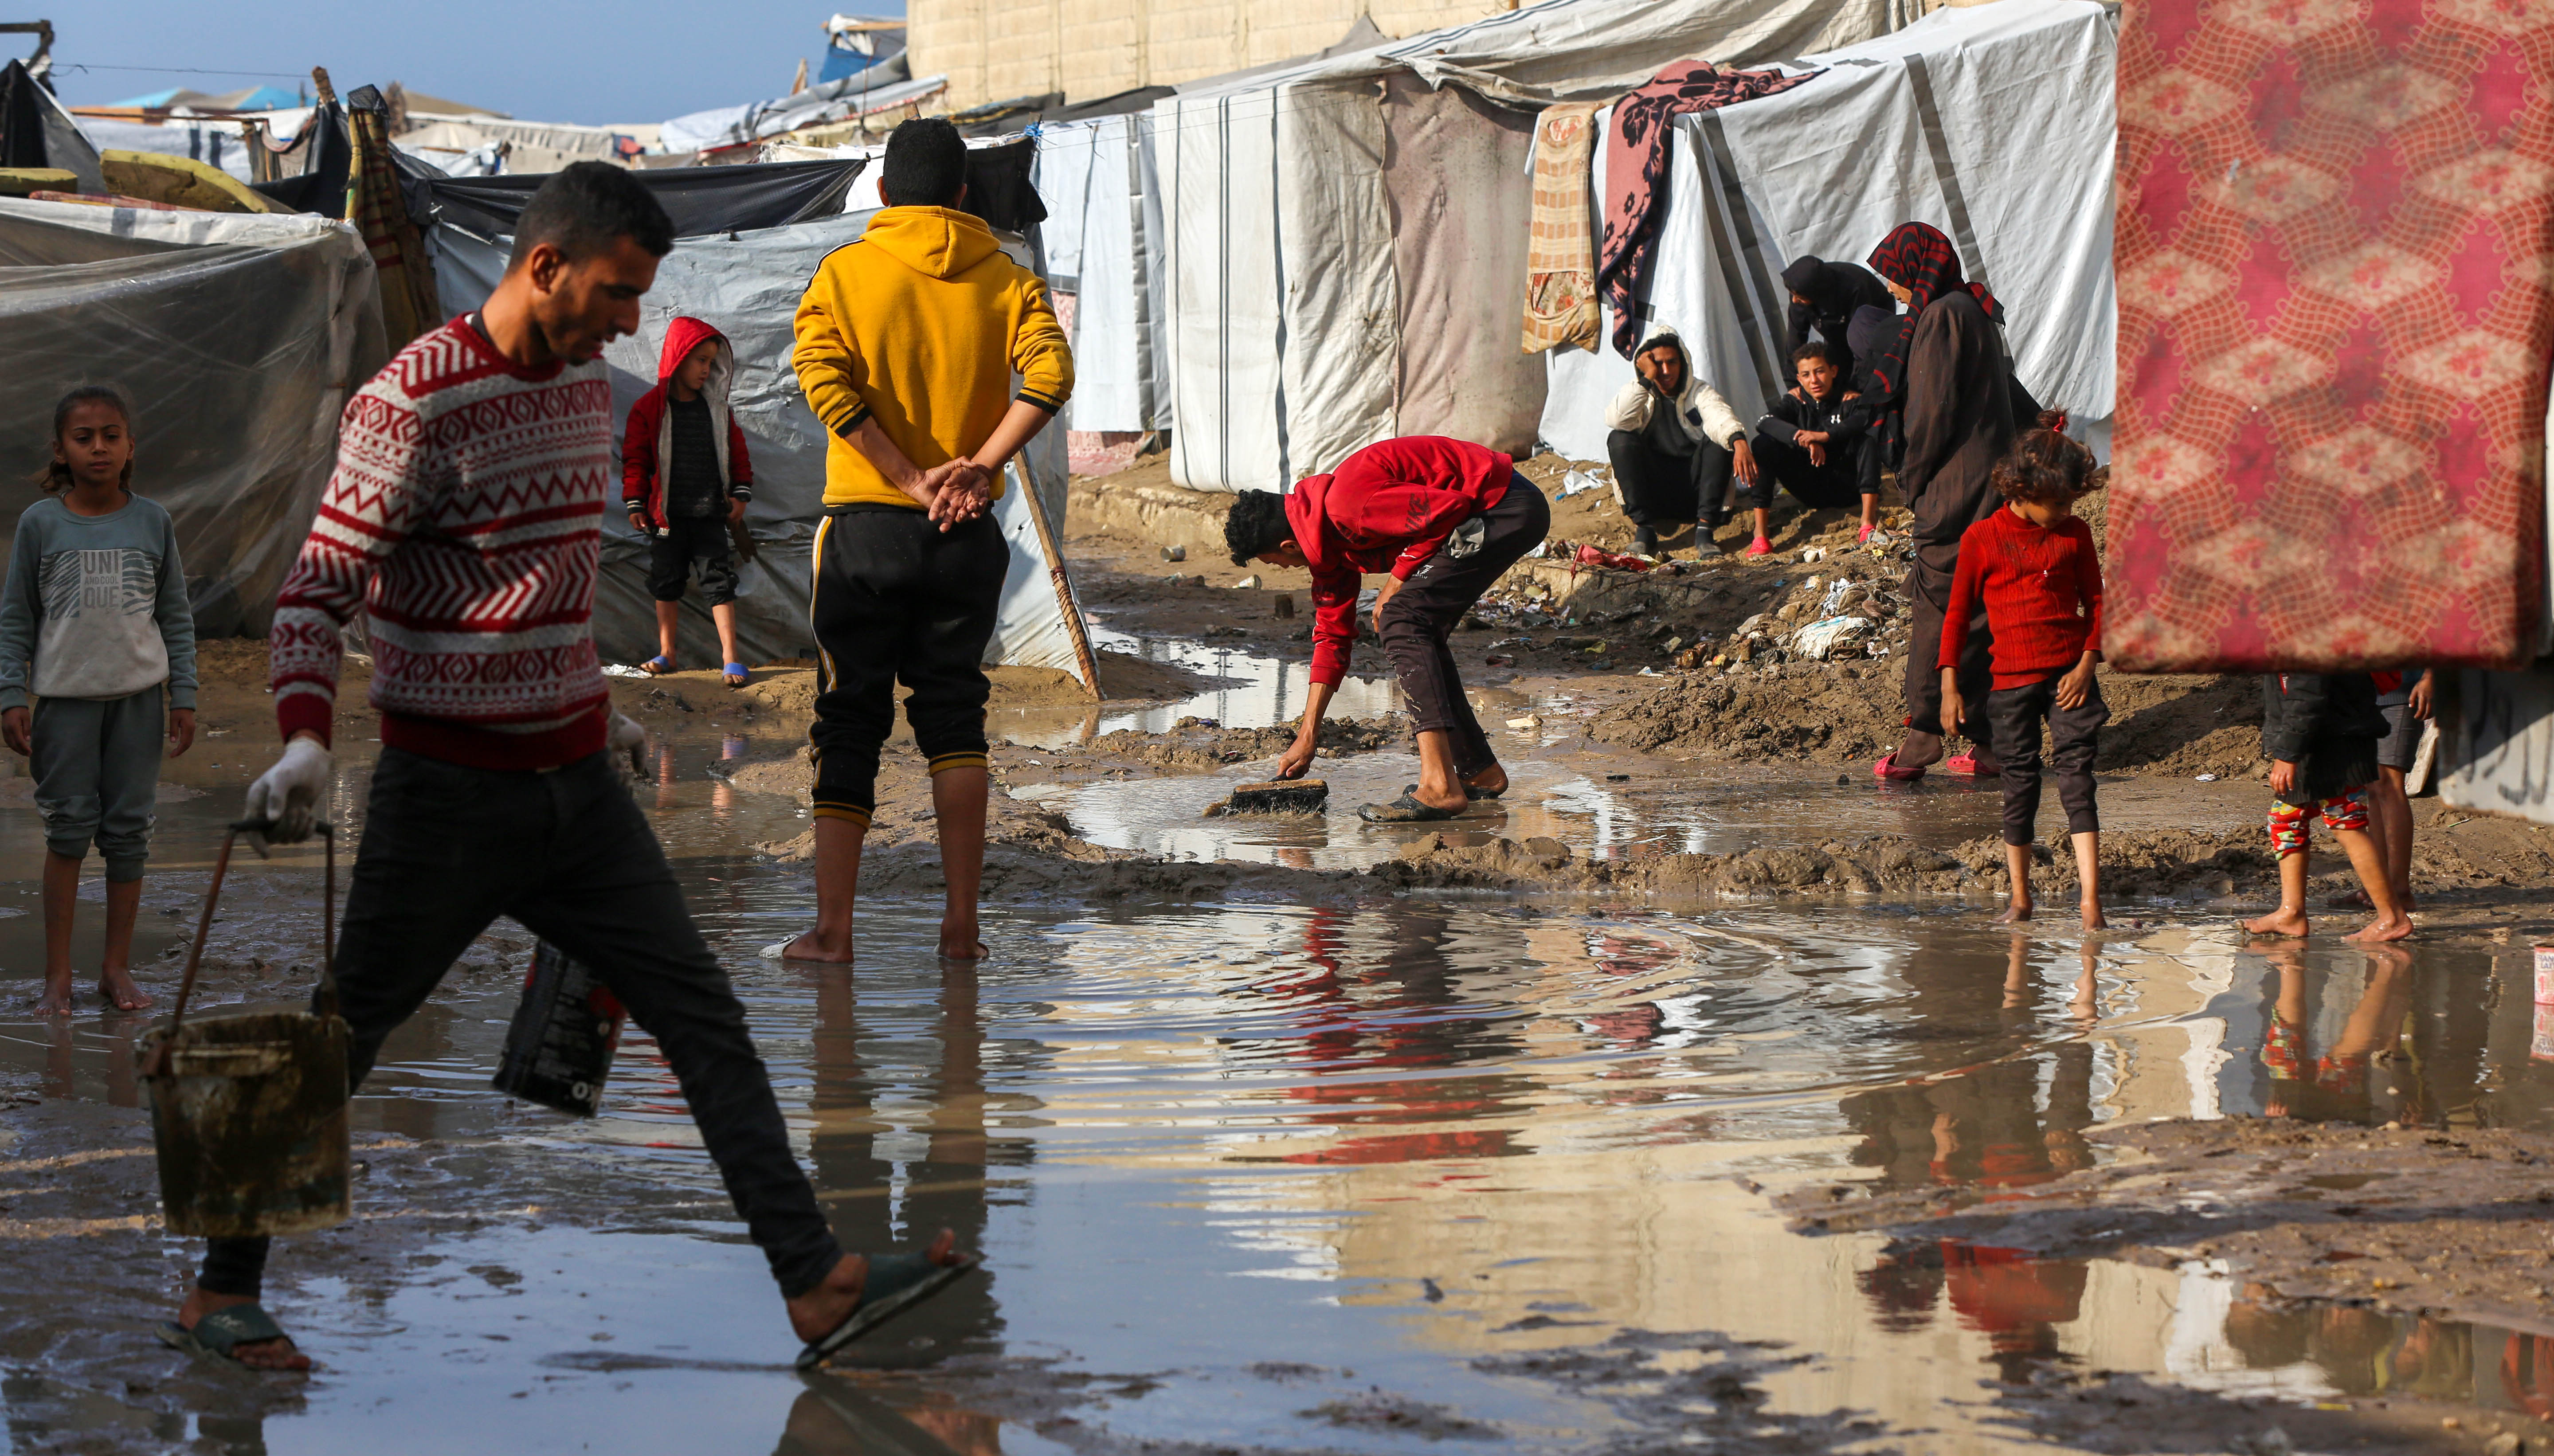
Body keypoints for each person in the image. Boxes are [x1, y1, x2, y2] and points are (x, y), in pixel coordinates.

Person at [175, 163, 965, 1374]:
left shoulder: (589, 390)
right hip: (445, 794)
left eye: (641, 296)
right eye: (617, 290)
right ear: (545, 264)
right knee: (346, 1036)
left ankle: (816, 1282)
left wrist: (602, 707)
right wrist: (295, 734)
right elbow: (313, 597)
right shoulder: (413, 402)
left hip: (580, 787)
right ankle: (220, 1290)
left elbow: (540, 591)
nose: (631, 320)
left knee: (704, 1017)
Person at [781, 117, 1070, 965]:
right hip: (965, 533)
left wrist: (909, 479)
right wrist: (975, 470)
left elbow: (821, 377)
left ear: (881, 193)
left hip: (865, 529)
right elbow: (1051, 374)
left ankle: (834, 932)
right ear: (962, 196)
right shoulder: (1006, 276)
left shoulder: (845, 272)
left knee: (848, 722)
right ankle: (962, 927)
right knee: (955, 719)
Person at [1222, 435, 1549, 822]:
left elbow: (1451, 508)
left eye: (1273, 561)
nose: (1281, 569)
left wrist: (1396, 579)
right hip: (1478, 516)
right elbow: (1332, 639)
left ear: (1289, 545)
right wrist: (1307, 736)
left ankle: (1439, 787)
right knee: (1415, 624)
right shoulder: (1328, 555)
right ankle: (1478, 771)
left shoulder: (1348, 504)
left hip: (1501, 504)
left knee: (1402, 618)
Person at [0, 385, 196, 1016]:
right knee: (67, 834)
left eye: (111, 435)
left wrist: (184, 694)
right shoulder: (42, 524)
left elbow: (176, 616)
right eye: (83, 438)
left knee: (129, 836)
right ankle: (58, 974)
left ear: (131, 447)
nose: (99, 448)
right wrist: (10, 692)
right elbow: (15, 619)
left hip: (139, 704)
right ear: (60, 450)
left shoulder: (152, 521)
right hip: (65, 704)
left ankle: (115, 970)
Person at [1939, 412, 2106, 928]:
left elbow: (2098, 603)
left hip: (2069, 678)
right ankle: (2020, 897)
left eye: (2071, 504)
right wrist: (1948, 685)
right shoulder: (1981, 539)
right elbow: (1958, 615)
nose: (2065, 513)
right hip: (2009, 680)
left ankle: (2091, 902)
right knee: (2020, 784)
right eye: (2057, 504)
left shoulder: (2075, 533)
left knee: (2078, 778)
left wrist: (2086, 664)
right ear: (2024, 489)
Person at [1867, 222, 2017, 783]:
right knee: (1983, 612)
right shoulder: (1974, 308)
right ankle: (1989, 740)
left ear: (1916, 270)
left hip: (1955, 488)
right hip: (1994, 483)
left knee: (1939, 607)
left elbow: (1930, 414)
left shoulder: (1940, 318)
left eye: (1896, 278)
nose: (1894, 291)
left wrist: (1913, 479)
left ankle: (1924, 732)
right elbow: (2007, 387)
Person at [624, 316, 754, 686]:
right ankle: (668, 653)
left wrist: (740, 494)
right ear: (678, 358)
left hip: (711, 513)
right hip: (666, 518)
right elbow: (635, 460)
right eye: (700, 360)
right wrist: (635, 501)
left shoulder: (716, 411)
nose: (706, 369)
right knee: (666, 581)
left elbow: (737, 454)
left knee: (719, 581)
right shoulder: (649, 410)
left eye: (711, 362)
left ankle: (731, 657)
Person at [2244, 669, 2411, 942]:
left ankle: (2391, 917)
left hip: (2327, 741)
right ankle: (2292, 913)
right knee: (2287, 817)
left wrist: (2288, 754)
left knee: (2347, 824)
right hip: (2328, 735)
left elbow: (2307, 692)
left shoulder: (2303, 632)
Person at [1601, 325, 1754, 558]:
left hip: (1695, 491)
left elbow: (1718, 415)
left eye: (1672, 362)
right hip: (1655, 493)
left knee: (1719, 440)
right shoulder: (1642, 395)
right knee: (1619, 438)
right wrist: (1646, 380)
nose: (1665, 370)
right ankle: (1645, 530)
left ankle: (1704, 531)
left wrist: (1739, 440)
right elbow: (1617, 420)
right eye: (1657, 364)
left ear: (1683, 363)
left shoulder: (1698, 392)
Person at [1752, 341, 1881, 546]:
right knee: (1762, 444)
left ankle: (1868, 522)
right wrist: (1803, 437)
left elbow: (1864, 419)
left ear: (1833, 371)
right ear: (1799, 379)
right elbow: (1764, 422)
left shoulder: (1849, 398)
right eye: (1806, 375)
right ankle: (1760, 535)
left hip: (1849, 488)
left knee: (1867, 437)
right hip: (1810, 488)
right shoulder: (1795, 402)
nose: (1814, 380)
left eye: (1820, 372)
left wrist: (1825, 437)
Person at [2359, 666, 2433, 913]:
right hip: (2364, 692)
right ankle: (2379, 887)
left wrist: (2431, 678)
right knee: (2373, 786)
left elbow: (2442, 632)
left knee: (2389, 786)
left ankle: (2400, 891)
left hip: (2404, 692)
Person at [1782, 254, 1895, 380]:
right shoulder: (1800, 291)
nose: (1794, 300)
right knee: (1835, 365)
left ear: (1815, 292)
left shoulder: (1855, 285)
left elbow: (1861, 341)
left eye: (1799, 297)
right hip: (1834, 322)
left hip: (1869, 322)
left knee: (1872, 361)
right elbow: (1796, 337)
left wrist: (1856, 386)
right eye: (1793, 295)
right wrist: (1792, 383)